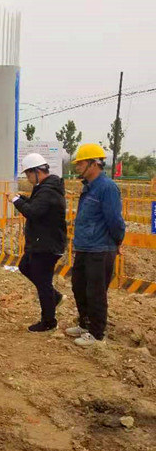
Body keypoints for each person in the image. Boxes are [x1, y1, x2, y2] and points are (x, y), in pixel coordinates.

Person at [68, 144, 125, 347]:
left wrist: (117, 242)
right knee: (78, 287)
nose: (77, 167)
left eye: (81, 163)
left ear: (94, 164)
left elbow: (115, 220)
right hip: (84, 247)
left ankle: (97, 333)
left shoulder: (107, 188)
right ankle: (85, 324)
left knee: (96, 292)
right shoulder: (88, 187)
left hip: (100, 249)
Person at [10, 153, 67, 332]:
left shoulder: (48, 190)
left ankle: (49, 321)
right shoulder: (44, 188)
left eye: (28, 174)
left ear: (37, 171)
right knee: (25, 266)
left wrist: (16, 201)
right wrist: (22, 199)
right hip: (40, 242)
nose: (27, 178)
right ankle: (54, 297)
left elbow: (33, 212)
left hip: (47, 245)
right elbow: (37, 206)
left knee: (43, 282)